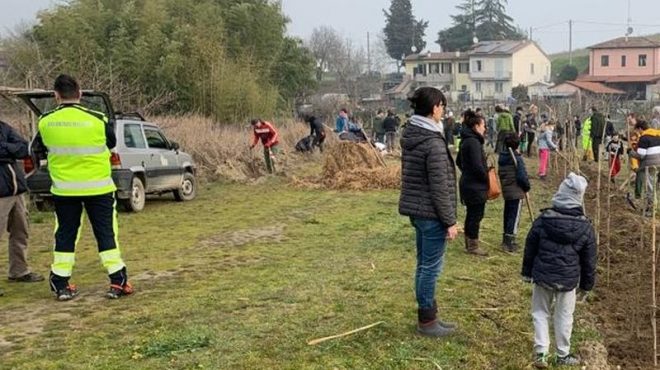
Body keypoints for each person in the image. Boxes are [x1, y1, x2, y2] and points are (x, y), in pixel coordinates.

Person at [33, 74, 131, 301]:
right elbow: (111, 143)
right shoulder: (97, 118)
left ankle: (60, 283)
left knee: (65, 235)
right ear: (80, 93)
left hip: (65, 191)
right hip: (99, 189)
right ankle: (118, 281)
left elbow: (40, 147)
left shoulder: (45, 121)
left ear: (56, 95)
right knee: (106, 234)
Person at [399, 87, 458, 337]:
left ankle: (429, 316)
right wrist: (450, 221)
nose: (443, 111)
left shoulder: (414, 134)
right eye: (442, 106)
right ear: (434, 108)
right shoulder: (432, 142)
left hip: (419, 211)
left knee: (424, 265)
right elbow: (439, 187)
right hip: (431, 213)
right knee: (430, 268)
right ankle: (427, 321)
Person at [523, 172, 597, 368]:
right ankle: (562, 354)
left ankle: (541, 353)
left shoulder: (543, 219)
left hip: (543, 276)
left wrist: (527, 272)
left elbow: (530, 246)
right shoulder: (586, 227)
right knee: (564, 315)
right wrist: (587, 285)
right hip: (568, 280)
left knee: (540, 312)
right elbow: (589, 260)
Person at [0, 119, 45, 297]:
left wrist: (5, 149)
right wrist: (9, 149)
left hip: (16, 190)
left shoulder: (3, 127)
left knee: (21, 231)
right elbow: (14, 149)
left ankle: (19, 271)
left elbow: (23, 148)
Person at [457, 109, 489, 256]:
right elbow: (477, 166)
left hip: (467, 183)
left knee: (471, 214)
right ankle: (473, 245)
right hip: (475, 185)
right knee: (476, 215)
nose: (485, 128)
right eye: (483, 125)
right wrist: (486, 178)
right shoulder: (474, 143)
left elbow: (458, 161)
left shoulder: (465, 140)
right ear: (476, 126)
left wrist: (466, 171)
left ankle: (469, 242)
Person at [498, 134, 531, 253]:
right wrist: (526, 188)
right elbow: (522, 177)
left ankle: (506, 238)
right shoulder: (517, 159)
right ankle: (510, 242)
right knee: (514, 216)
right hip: (516, 191)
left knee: (508, 214)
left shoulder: (502, 158)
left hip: (507, 191)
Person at [629, 120, 660, 215]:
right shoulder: (657, 135)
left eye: (638, 131)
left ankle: (651, 210)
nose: (638, 134)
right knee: (656, 186)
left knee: (650, 187)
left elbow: (641, 155)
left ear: (640, 129)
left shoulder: (644, 138)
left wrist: (630, 152)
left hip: (650, 165)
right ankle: (654, 206)